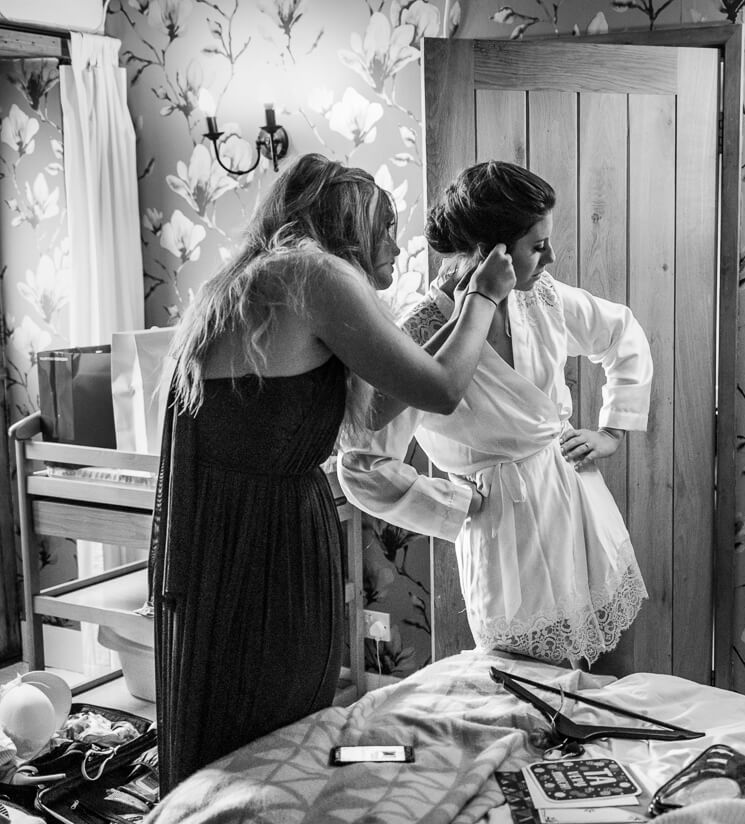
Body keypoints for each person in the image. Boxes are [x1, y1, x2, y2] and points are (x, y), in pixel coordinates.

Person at [147, 152, 515, 792]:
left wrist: (457, 317)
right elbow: (443, 389)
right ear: (349, 223)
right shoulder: (315, 273)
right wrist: (484, 297)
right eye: (386, 228)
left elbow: (376, 410)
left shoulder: (265, 278)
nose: (398, 249)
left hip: (234, 534)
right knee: (278, 728)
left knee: (251, 724)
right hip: (265, 541)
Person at [338, 160, 654, 669]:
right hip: (504, 536)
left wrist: (612, 430)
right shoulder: (420, 330)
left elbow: (622, 333)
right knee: (529, 699)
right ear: (493, 255)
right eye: (537, 245)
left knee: (614, 687)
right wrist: (454, 505)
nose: (551, 256)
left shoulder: (541, 299)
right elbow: (359, 464)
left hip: (577, 503)